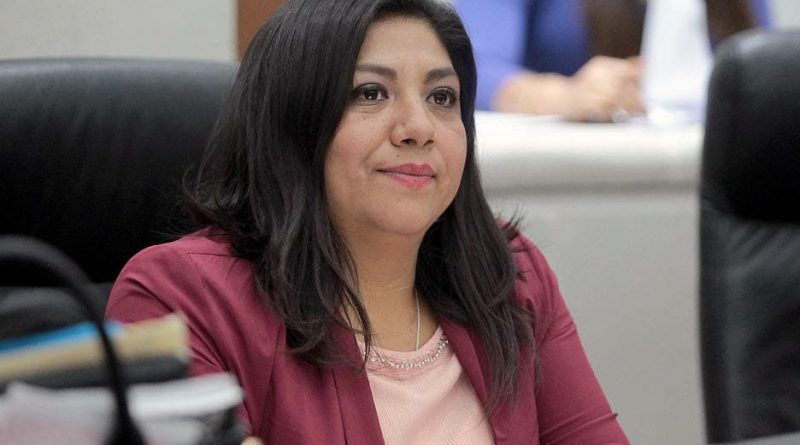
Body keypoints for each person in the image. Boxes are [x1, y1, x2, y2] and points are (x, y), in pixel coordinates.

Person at [106, 0, 629, 443]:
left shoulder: (507, 275)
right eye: (371, 93)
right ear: (295, 121)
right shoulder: (178, 298)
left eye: (442, 97)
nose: (418, 127)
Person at [458, 0, 769, 122]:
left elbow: (766, 69)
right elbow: (471, 67)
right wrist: (563, 97)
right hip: (575, 174)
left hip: (708, 172)